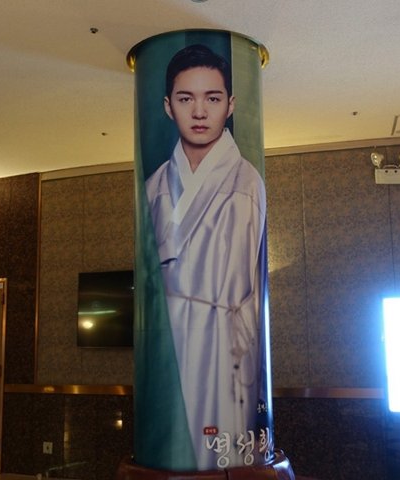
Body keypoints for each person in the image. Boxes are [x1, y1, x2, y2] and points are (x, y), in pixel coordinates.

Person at [145, 44, 269, 470]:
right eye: (186, 99)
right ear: (168, 106)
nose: (199, 112)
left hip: (223, 350)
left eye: (212, 99)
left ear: (230, 105)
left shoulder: (246, 181)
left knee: (220, 458)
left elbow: (243, 286)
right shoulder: (154, 186)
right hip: (169, 346)